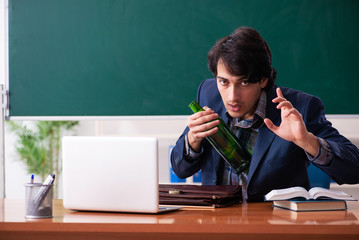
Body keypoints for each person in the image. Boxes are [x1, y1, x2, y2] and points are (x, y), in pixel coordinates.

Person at [170, 26, 359, 202]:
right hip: (218, 222)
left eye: (244, 83)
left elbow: (354, 170)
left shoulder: (300, 107)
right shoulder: (208, 94)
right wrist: (192, 139)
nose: (232, 96)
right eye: (224, 82)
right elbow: (180, 169)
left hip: (277, 225)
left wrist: (308, 141)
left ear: (262, 80)